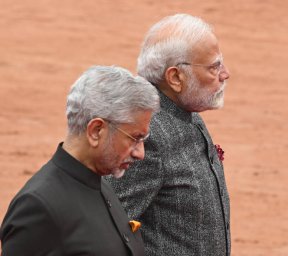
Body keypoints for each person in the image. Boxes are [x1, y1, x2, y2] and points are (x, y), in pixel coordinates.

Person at [0, 65, 160, 256]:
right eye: (135, 138)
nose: (140, 153)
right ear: (96, 131)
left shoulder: (101, 183)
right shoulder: (38, 206)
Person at [106, 14, 231, 255]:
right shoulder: (146, 135)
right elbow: (107, 226)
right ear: (175, 78)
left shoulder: (187, 113)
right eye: (214, 66)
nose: (225, 74)